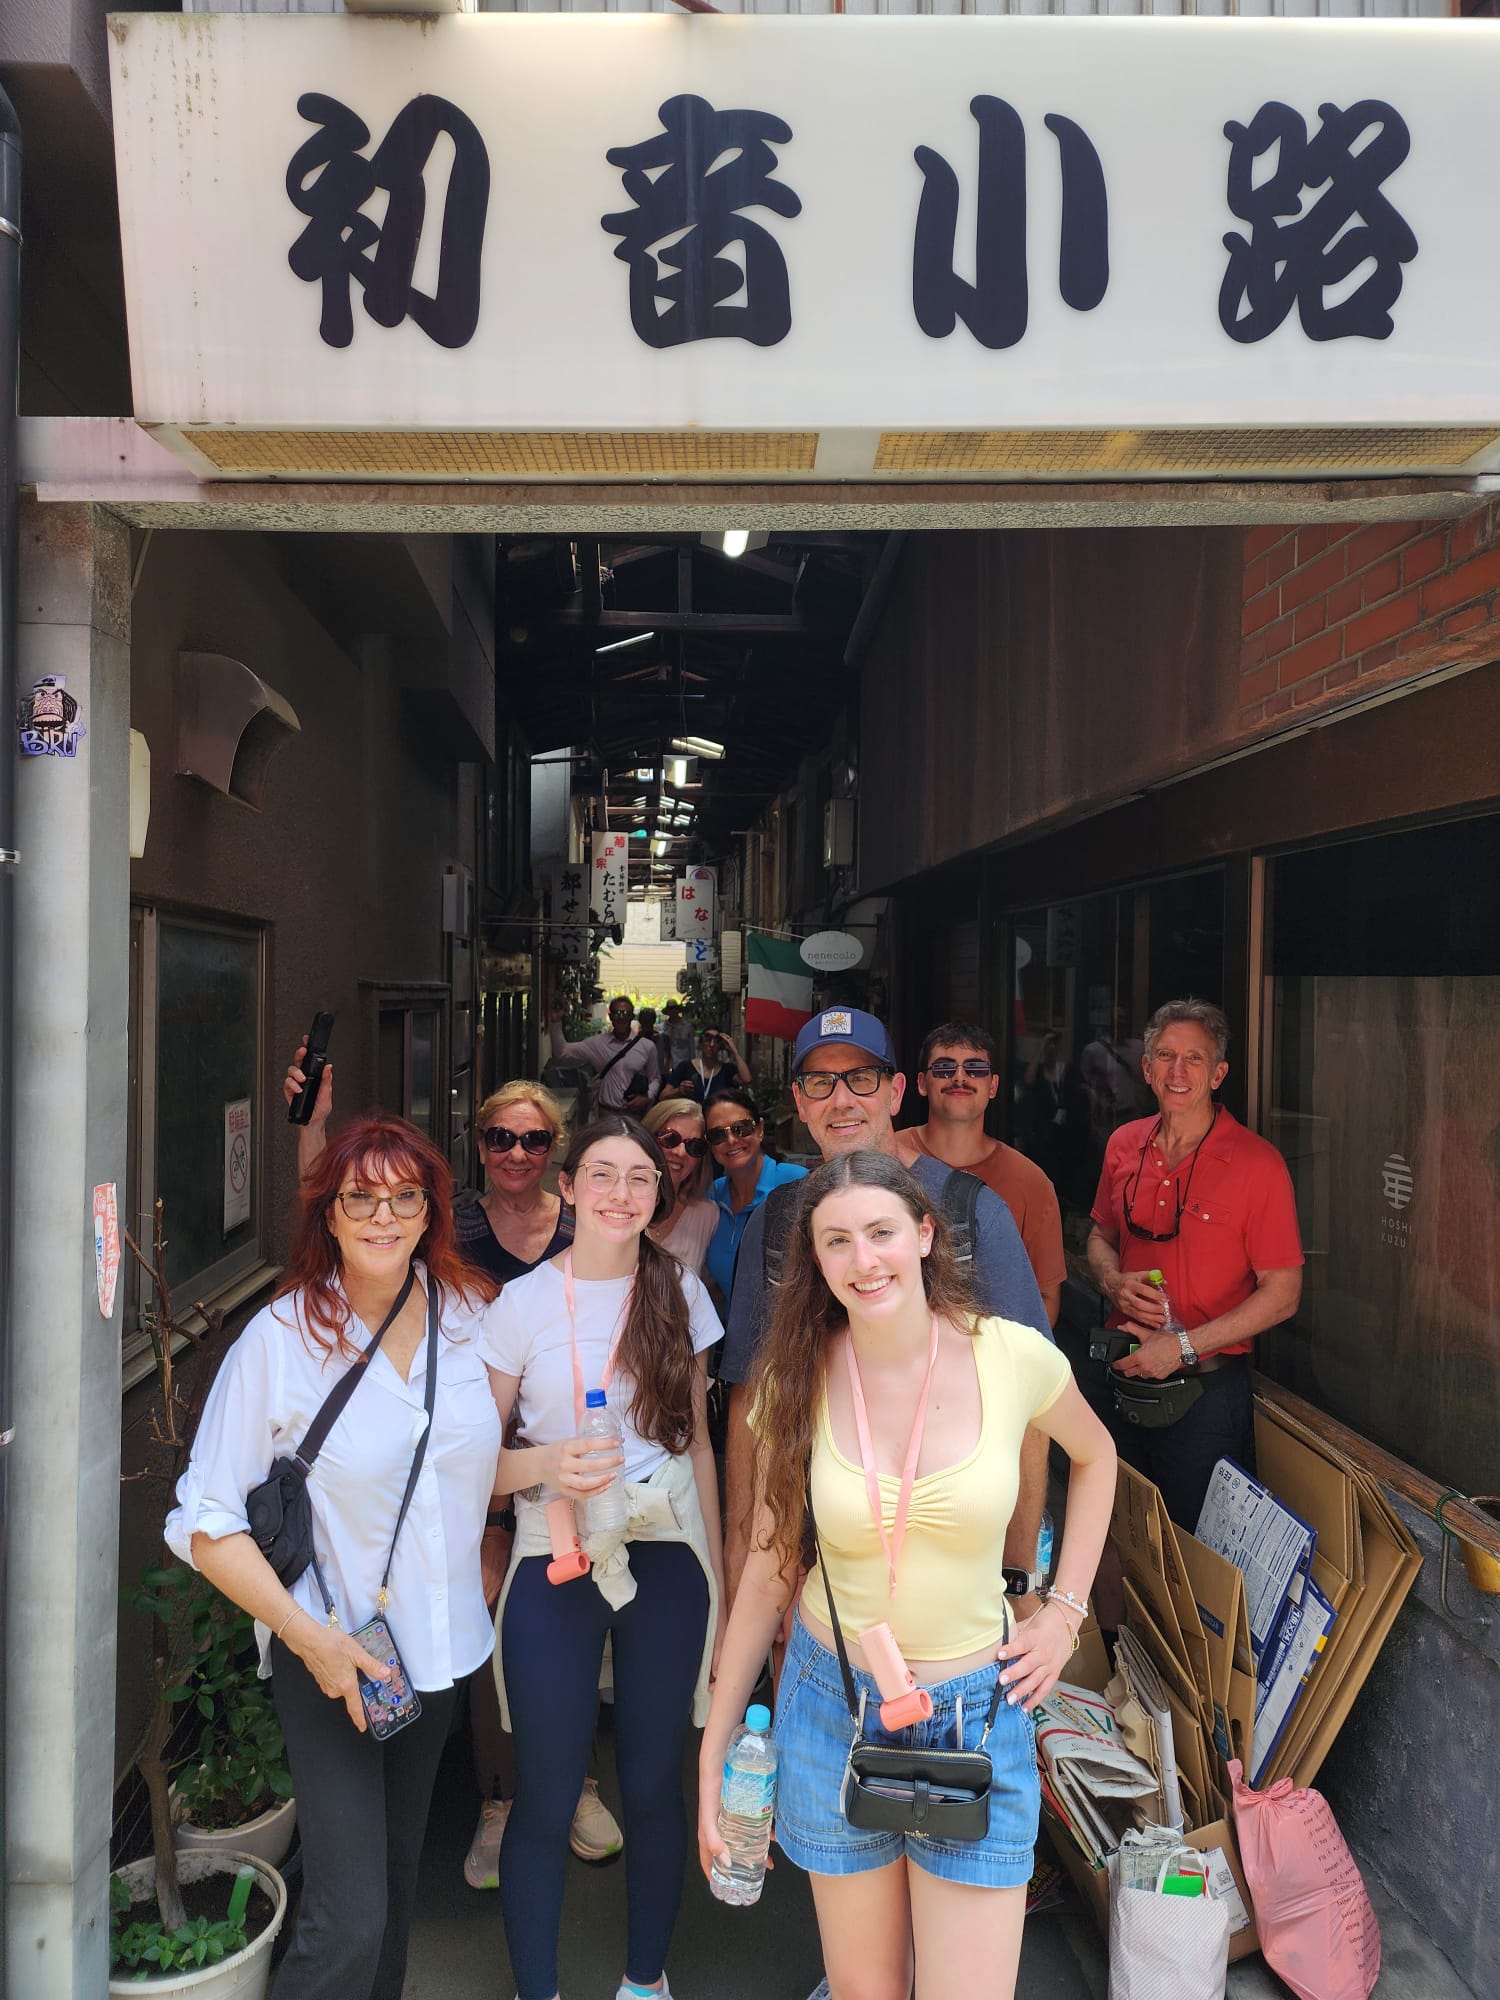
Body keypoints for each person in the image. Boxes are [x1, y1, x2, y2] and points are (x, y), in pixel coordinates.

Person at [699, 1151, 1116, 2000]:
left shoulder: (1013, 1356)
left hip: (977, 1706)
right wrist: (713, 1753)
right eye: (838, 1241)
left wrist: (1064, 1610)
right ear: (816, 1261)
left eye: (882, 1232)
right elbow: (771, 1573)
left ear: (925, 1235)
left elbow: (1098, 1454)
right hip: (832, 1702)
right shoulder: (798, 1374)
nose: (865, 1260)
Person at [165, 1114, 500, 2000]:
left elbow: (471, 1464)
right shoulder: (281, 1340)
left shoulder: (468, 1315)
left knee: (390, 1891)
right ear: (331, 1212)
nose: (383, 1214)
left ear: (432, 1210)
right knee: (347, 1919)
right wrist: (306, 1638)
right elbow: (203, 1523)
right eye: (361, 1197)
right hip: (331, 1660)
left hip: (439, 1651)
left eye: (404, 1195)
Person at [280, 1054, 621, 1886]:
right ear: (479, 1148)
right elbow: (345, 1238)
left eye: (533, 1139)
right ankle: (499, 1799)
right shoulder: (447, 1230)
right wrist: (311, 1132)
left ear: (556, 1152)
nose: (515, 1152)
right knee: (475, 1617)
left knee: (559, 1634)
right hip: (462, 1476)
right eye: (500, 1137)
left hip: (551, 1468)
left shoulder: (581, 1234)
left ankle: (569, 1781)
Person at [481, 1115, 726, 2000]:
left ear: (658, 1196)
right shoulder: (520, 1307)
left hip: (664, 1543)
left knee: (656, 1780)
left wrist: (723, 1581)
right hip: (558, 1546)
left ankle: (644, 1982)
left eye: (641, 1178)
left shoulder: (682, 1292)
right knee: (546, 1789)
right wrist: (545, 1465)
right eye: (604, 1174)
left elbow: (699, 1445)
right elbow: (477, 1468)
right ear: (570, 1189)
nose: (622, 1193)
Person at [719, 1007, 1053, 1609]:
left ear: (897, 1091)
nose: (841, 1099)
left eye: (861, 1078)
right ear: (799, 1100)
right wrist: (745, 1561)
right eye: (820, 1082)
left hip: (952, 1559)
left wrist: (1018, 1574)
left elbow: (1035, 1411)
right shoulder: (774, 1222)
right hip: (806, 1560)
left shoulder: (972, 1211)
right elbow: (749, 1395)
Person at [1086, 997, 1304, 1531]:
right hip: (1121, 1374)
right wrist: (1113, 1280)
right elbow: (1098, 1235)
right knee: (1113, 1532)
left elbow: (1283, 1292)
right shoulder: (1123, 1144)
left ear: (1219, 1073)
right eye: (1164, 1055)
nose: (1177, 1072)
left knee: (1193, 1549)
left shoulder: (1258, 1164)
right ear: (1145, 1066)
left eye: (1195, 1059)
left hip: (1205, 1393)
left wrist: (1182, 1346)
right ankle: (1118, 1621)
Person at [897, 1019, 1067, 1327]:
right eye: (944, 1068)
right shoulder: (886, 1157)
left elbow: (1045, 1299)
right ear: (922, 1083)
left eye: (975, 1069)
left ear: (993, 1086)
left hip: (989, 1364)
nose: (959, 1077)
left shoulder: (1031, 1182)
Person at [703, 1085, 807, 1308]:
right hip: (735, 1338)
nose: (731, 1140)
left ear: (760, 1129)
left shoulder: (796, 1184)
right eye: (718, 1134)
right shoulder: (712, 1197)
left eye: (741, 1128)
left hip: (793, 1338)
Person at [642, 1095, 719, 1276]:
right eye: (670, 1138)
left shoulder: (707, 1216)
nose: (680, 1152)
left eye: (693, 1146)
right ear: (646, 1138)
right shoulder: (617, 1205)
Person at [549, 994, 660, 1114]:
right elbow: (562, 1052)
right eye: (617, 1013)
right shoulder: (597, 1044)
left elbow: (655, 1078)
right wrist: (556, 1022)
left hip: (635, 1116)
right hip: (607, 1114)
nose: (621, 1017)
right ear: (611, 1016)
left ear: (632, 1017)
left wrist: (647, 1097)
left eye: (625, 1013)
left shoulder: (647, 1047)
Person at [666, 1024, 752, 1106]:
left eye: (716, 1041)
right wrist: (679, 1091)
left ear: (721, 1046)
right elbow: (663, 1095)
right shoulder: (685, 1066)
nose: (711, 1045)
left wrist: (734, 1051)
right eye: (707, 1039)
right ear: (701, 1043)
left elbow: (746, 1079)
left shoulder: (727, 1070)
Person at [659, 1000, 696, 1074]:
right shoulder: (662, 1027)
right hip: (668, 1066)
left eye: (675, 1008)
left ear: (678, 1010)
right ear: (668, 1012)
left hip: (684, 1065)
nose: (673, 1011)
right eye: (671, 1009)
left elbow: (692, 1049)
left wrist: (693, 1066)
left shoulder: (688, 1027)